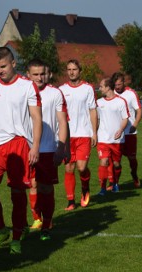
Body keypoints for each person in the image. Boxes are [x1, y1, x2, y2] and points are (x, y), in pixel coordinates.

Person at [0, 46, 42, 255]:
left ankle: (17, 236)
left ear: (13, 64)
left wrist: (35, 146)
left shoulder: (27, 86)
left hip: (19, 144)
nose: (0, 70)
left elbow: (36, 118)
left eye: (3, 66)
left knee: (17, 192)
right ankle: (1, 230)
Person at [26, 59, 68, 240]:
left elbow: (62, 121)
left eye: (42, 74)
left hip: (48, 149)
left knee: (45, 186)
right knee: (31, 185)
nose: (39, 77)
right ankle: (36, 219)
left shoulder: (55, 93)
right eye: (35, 74)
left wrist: (61, 147)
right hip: (26, 147)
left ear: (48, 74)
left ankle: (47, 223)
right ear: (28, 75)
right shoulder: (23, 91)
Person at [59, 59, 97, 210]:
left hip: (84, 134)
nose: (71, 72)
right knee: (69, 168)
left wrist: (94, 133)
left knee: (81, 168)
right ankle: (70, 201)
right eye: (69, 69)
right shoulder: (61, 89)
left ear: (80, 71)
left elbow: (93, 110)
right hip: (67, 136)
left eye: (74, 69)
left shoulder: (88, 88)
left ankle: (85, 188)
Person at [95, 77, 128, 196]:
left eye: (101, 86)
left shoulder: (120, 101)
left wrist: (121, 129)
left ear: (108, 87)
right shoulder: (99, 102)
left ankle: (115, 183)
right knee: (103, 162)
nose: (100, 89)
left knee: (116, 164)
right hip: (103, 138)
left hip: (117, 139)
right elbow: (96, 119)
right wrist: (94, 133)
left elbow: (125, 118)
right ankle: (103, 188)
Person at [112, 72, 142, 187]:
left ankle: (134, 174)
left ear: (124, 82)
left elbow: (139, 110)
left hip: (129, 132)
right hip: (116, 133)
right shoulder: (110, 93)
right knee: (115, 161)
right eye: (115, 85)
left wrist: (135, 124)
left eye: (119, 84)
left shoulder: (131, 93)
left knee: (132, 158)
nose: (117, 87)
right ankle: (115, 182)